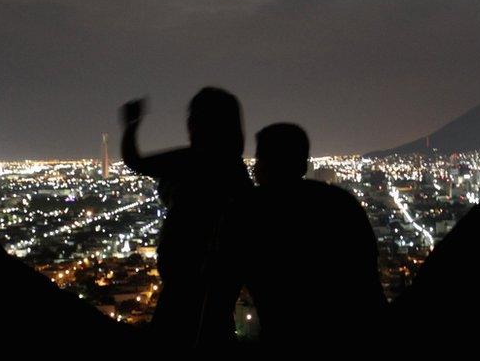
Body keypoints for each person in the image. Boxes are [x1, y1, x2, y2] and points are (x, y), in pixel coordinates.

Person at [120, 87, 252, 348]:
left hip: (187, 274)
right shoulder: (236, 172)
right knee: (215, 329)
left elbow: (135, 161)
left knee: (175, 333)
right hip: (220, 277)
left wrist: (131, 126)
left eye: (194, 116)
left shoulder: (194, 160)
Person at [238, 123, 386, 352]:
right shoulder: (341, 204)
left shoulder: (256, 210)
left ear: (266, 164)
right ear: (303, 164)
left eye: (259, 159)